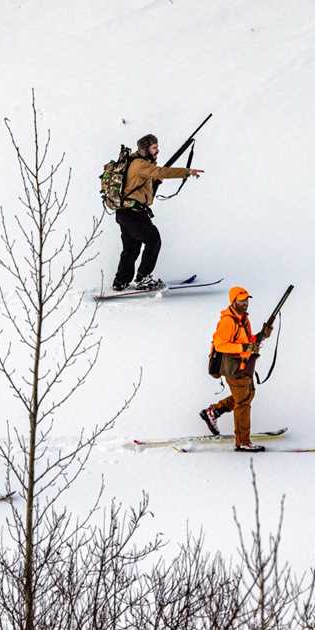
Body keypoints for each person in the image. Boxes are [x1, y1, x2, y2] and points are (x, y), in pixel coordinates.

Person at [113, 133, 204, 291]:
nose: (157, 150)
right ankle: (142, 278)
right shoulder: (140, 164)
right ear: (145, 149)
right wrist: (186, 171)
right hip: (133, 213)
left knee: (131, 248)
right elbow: (161, 172)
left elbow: (145, 183)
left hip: (125, 212)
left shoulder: (137, 163)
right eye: (154, 148)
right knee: (153, 240)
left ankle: (121, 282)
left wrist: (155, 182)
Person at [199, 286, 273, 451]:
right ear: (234, 301)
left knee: (247, 395)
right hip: (233, 368)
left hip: (244, 366)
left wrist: (263, 334)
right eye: (241, 300)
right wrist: (244, 348)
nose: (245, 303)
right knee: (243, 403)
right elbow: (220, 344)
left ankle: (213, 412)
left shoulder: (242, 318)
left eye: (246, 300)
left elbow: (249, 340)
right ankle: (243, 442)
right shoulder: (229, 321)